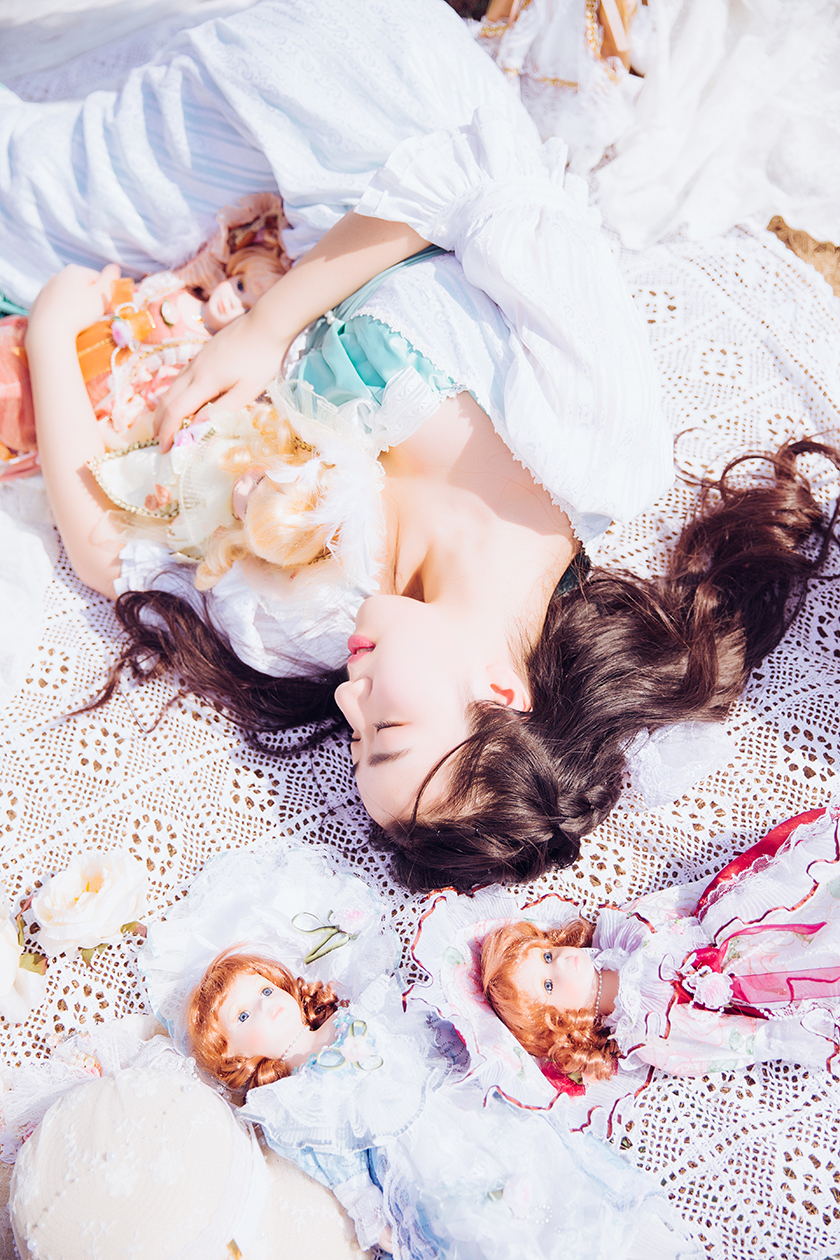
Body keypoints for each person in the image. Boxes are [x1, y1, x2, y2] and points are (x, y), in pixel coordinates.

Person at [7, 1, 839, 893]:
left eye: (355, 739)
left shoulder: (326, 618)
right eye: (388, 731)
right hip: (369, 120)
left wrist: (54, 331)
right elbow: (477, 177)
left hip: (258, 219)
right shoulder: (599, 450)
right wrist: (264, 332)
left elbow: (113, 556)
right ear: (502, 692)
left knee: (20, 225)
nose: (347, 700)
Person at [138, 847, 693, 1260]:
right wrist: (371, 1215)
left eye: (264, 991)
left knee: (542, 1169)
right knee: (479, 1225)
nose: (266, 1007)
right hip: (416, 1163)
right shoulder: (292, 1100)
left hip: (460, 1106)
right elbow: (338, 1166)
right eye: (243, 1017)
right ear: (234, 1055)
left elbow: (427, 1036)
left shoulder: (359, 1014)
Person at [480, 802, 840, 1080]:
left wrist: (725, 895)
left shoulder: (619, 934)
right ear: (562, 1023)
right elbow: (719, 1043)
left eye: (546, 957)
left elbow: (682, 904)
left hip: (731, 920)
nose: (558, 963)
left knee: (808, 890)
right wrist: (781, 1037)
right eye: (548, 985)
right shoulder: (645, 1030)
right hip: (753, 980)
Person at [0, 194, 288, 478]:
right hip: (86, 329)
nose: (233, 303)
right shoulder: (179, 285)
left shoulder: (201, 351)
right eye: (240, 286)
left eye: (247, 310)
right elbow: (208, 255)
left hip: (102, 384)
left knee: (34, 408)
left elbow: (158, 389)